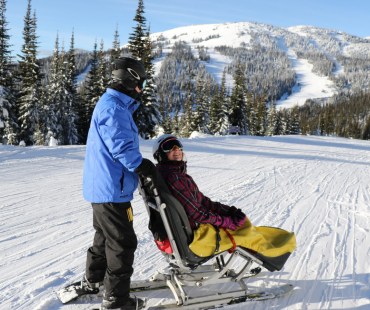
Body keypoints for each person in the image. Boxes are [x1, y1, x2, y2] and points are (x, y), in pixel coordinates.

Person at [82, 56, 155, 310]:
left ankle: (93, 280)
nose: (141, 90)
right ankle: (116, 300)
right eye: (141, 84)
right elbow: (121, 146)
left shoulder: (112, 103)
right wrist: (141, 165)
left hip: (102, 187)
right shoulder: (114, 107)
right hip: (113, 189)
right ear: (130, 80)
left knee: (104, 236)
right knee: (122, 243)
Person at [152, 134, 247, 232]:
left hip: (192, 225)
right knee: (250, 235)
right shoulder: (173, 177)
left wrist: (228, 211)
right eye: (169, 146)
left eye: (178, 145)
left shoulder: (175, 174)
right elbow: (196, 213)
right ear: (160, 154)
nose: (176, 149)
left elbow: (202, 200)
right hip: (195, 230)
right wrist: (227, 222)